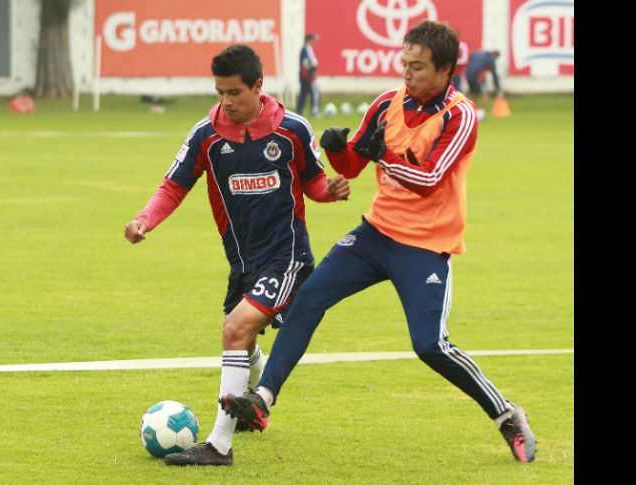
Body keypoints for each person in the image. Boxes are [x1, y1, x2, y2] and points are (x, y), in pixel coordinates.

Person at [220, 21, 537, 463]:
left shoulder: (460, 115)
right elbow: (352, 166)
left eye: (418, 66)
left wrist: (380, 154)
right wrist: (337, 149)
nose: (407, 73)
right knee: (308, 298)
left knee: (430, 346)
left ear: (446, 70)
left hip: (425, 246)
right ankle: (263, 400)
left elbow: (429, 179)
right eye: (405, 63)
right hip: (375, 234)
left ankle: (507, 415)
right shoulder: (387, 103)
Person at [125, 44, 350, 466]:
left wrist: (332, 191)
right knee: (241, 345)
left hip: (287, 258)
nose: (225, 101)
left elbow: (314, 184)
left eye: (234, 93)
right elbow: (173, 186)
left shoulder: (292, 130)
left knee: (235, 329)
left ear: (258, 86)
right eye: (219, 92)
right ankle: (254, 405)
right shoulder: (206, 135)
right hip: (243, 263)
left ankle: (219, 445)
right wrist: (144, 220)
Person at [465, 49, 501, 121]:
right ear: (495, 56)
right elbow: (494, 75)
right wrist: (498, 88)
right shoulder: (491, 59)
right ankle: (482, 113)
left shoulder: (477, 53)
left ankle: (473, 112)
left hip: (468, 74)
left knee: (473, 94)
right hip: (478, 77)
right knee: (484, 93)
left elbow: (468, 59)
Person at [296, 33, 320, 118]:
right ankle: (312, 111)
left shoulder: (308, 49)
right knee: (313, 93)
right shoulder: (305, 50)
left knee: (305, 93)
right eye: (313, 40)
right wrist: (311, 72)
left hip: (307, 75)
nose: (314, 42)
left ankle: (300, 111)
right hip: (306, 76)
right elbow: (305, 63)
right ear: (309, 40)